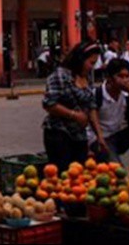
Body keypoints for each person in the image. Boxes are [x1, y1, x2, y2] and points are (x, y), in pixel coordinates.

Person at [42, 42, 103, 172]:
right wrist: (74, 115)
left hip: (80, 136)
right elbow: (49, 104)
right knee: (63, 174)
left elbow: (91, 106)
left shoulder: (86, 78)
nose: (92, 67)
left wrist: (100, 136)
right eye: (91, 63)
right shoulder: (61, 75)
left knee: (79, 175)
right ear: (80, 59)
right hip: (59, 133)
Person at [88, 59, 129, 165]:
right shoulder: (96, 94)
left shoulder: (127, 93)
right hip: (100, 140)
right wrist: (99, 139)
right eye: (120, 76)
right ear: (109, 78)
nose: (124, 80)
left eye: (127, 76)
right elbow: (92, 119)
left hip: (116, 137)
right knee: (118, 171)